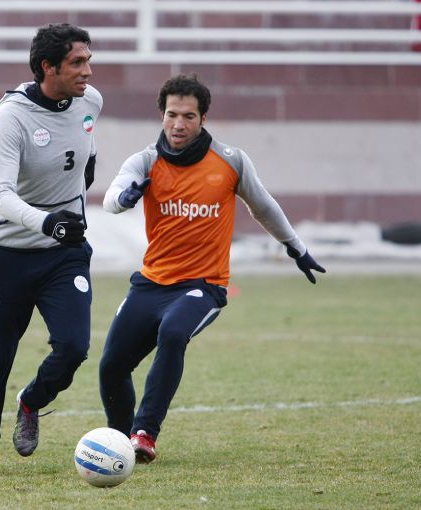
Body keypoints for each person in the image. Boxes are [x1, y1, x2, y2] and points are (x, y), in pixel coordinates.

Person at [99, 74, 325, 464]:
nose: (178, 124)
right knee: (111, 367)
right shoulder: (146, 160)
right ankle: (121, 443)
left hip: (203, 285)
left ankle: (144, 433)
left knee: (173, 333)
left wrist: (295, 246)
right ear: (161, 114)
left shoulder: (230, 161)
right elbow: (111, 197)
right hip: (151, 283)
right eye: (172, 115)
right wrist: (125, 197)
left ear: (203, 118)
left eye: (188, 116)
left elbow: (264, 206)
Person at [0, 23, 102, 475]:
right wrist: (48, 221)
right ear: (48, 67)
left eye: (88, 60)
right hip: (8, 253)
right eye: (77, 62)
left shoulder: (91, 101)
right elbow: (1, 196)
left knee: (74, 347)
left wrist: (81, 181)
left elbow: (84, 150)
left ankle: (31, 400)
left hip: (65, 253)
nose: (88, 70)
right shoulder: (13, 115)